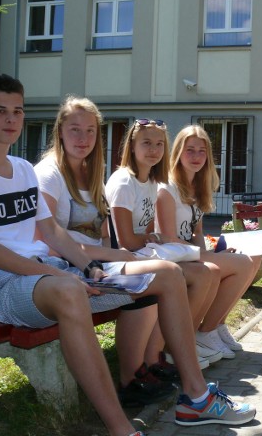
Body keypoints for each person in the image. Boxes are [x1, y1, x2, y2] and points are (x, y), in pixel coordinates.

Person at [0, 75, 256, 433]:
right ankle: (122, 428)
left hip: (53, 274)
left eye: (17, 111)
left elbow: (52, 232)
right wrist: (61, 275)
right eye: (0, 111)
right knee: (70, 290)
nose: (11, 119)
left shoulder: (23, 170)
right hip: (2, 287)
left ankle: (196, 398)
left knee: (167, 273)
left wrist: (89, 267)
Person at [34, 96, 176, 406]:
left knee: (156, 279)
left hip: (96, 262)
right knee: (157, 279)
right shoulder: (48, 173)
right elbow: (46, 240)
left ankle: (136, 373)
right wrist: (119, 255)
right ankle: (134, 377)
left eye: (90, 131)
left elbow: (101, 233)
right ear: (59, 131)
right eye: (74, 130)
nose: (82, 139)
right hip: (65, 268)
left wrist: (123, 249)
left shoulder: (90, 172)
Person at [105, 117, 223, 366]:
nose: (154, 150)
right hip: (118, 260)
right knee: (181, 275)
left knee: (207, 272)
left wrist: (156, 239)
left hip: (143, 255)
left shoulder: (150, 182)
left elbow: (148, 233)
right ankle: (158, 355)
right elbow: (125, 241)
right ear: (132, 145)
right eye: (146, 143)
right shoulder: (124, 181)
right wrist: (157, 239)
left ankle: (180, 345)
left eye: (159, 144)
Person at [156, 124, 260, 358]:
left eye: (201, 151)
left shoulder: (198, 188)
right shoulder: (167, 188)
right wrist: (210, 257)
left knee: (253, 255)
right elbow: (170, 239)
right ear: (178, 153)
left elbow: (196, 232)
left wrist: (211, 253)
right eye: (189, 150)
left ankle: (216, 325)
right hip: (172, 255)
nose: (196, 157)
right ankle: (205, 332)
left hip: (190, 254)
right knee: (241, 263)